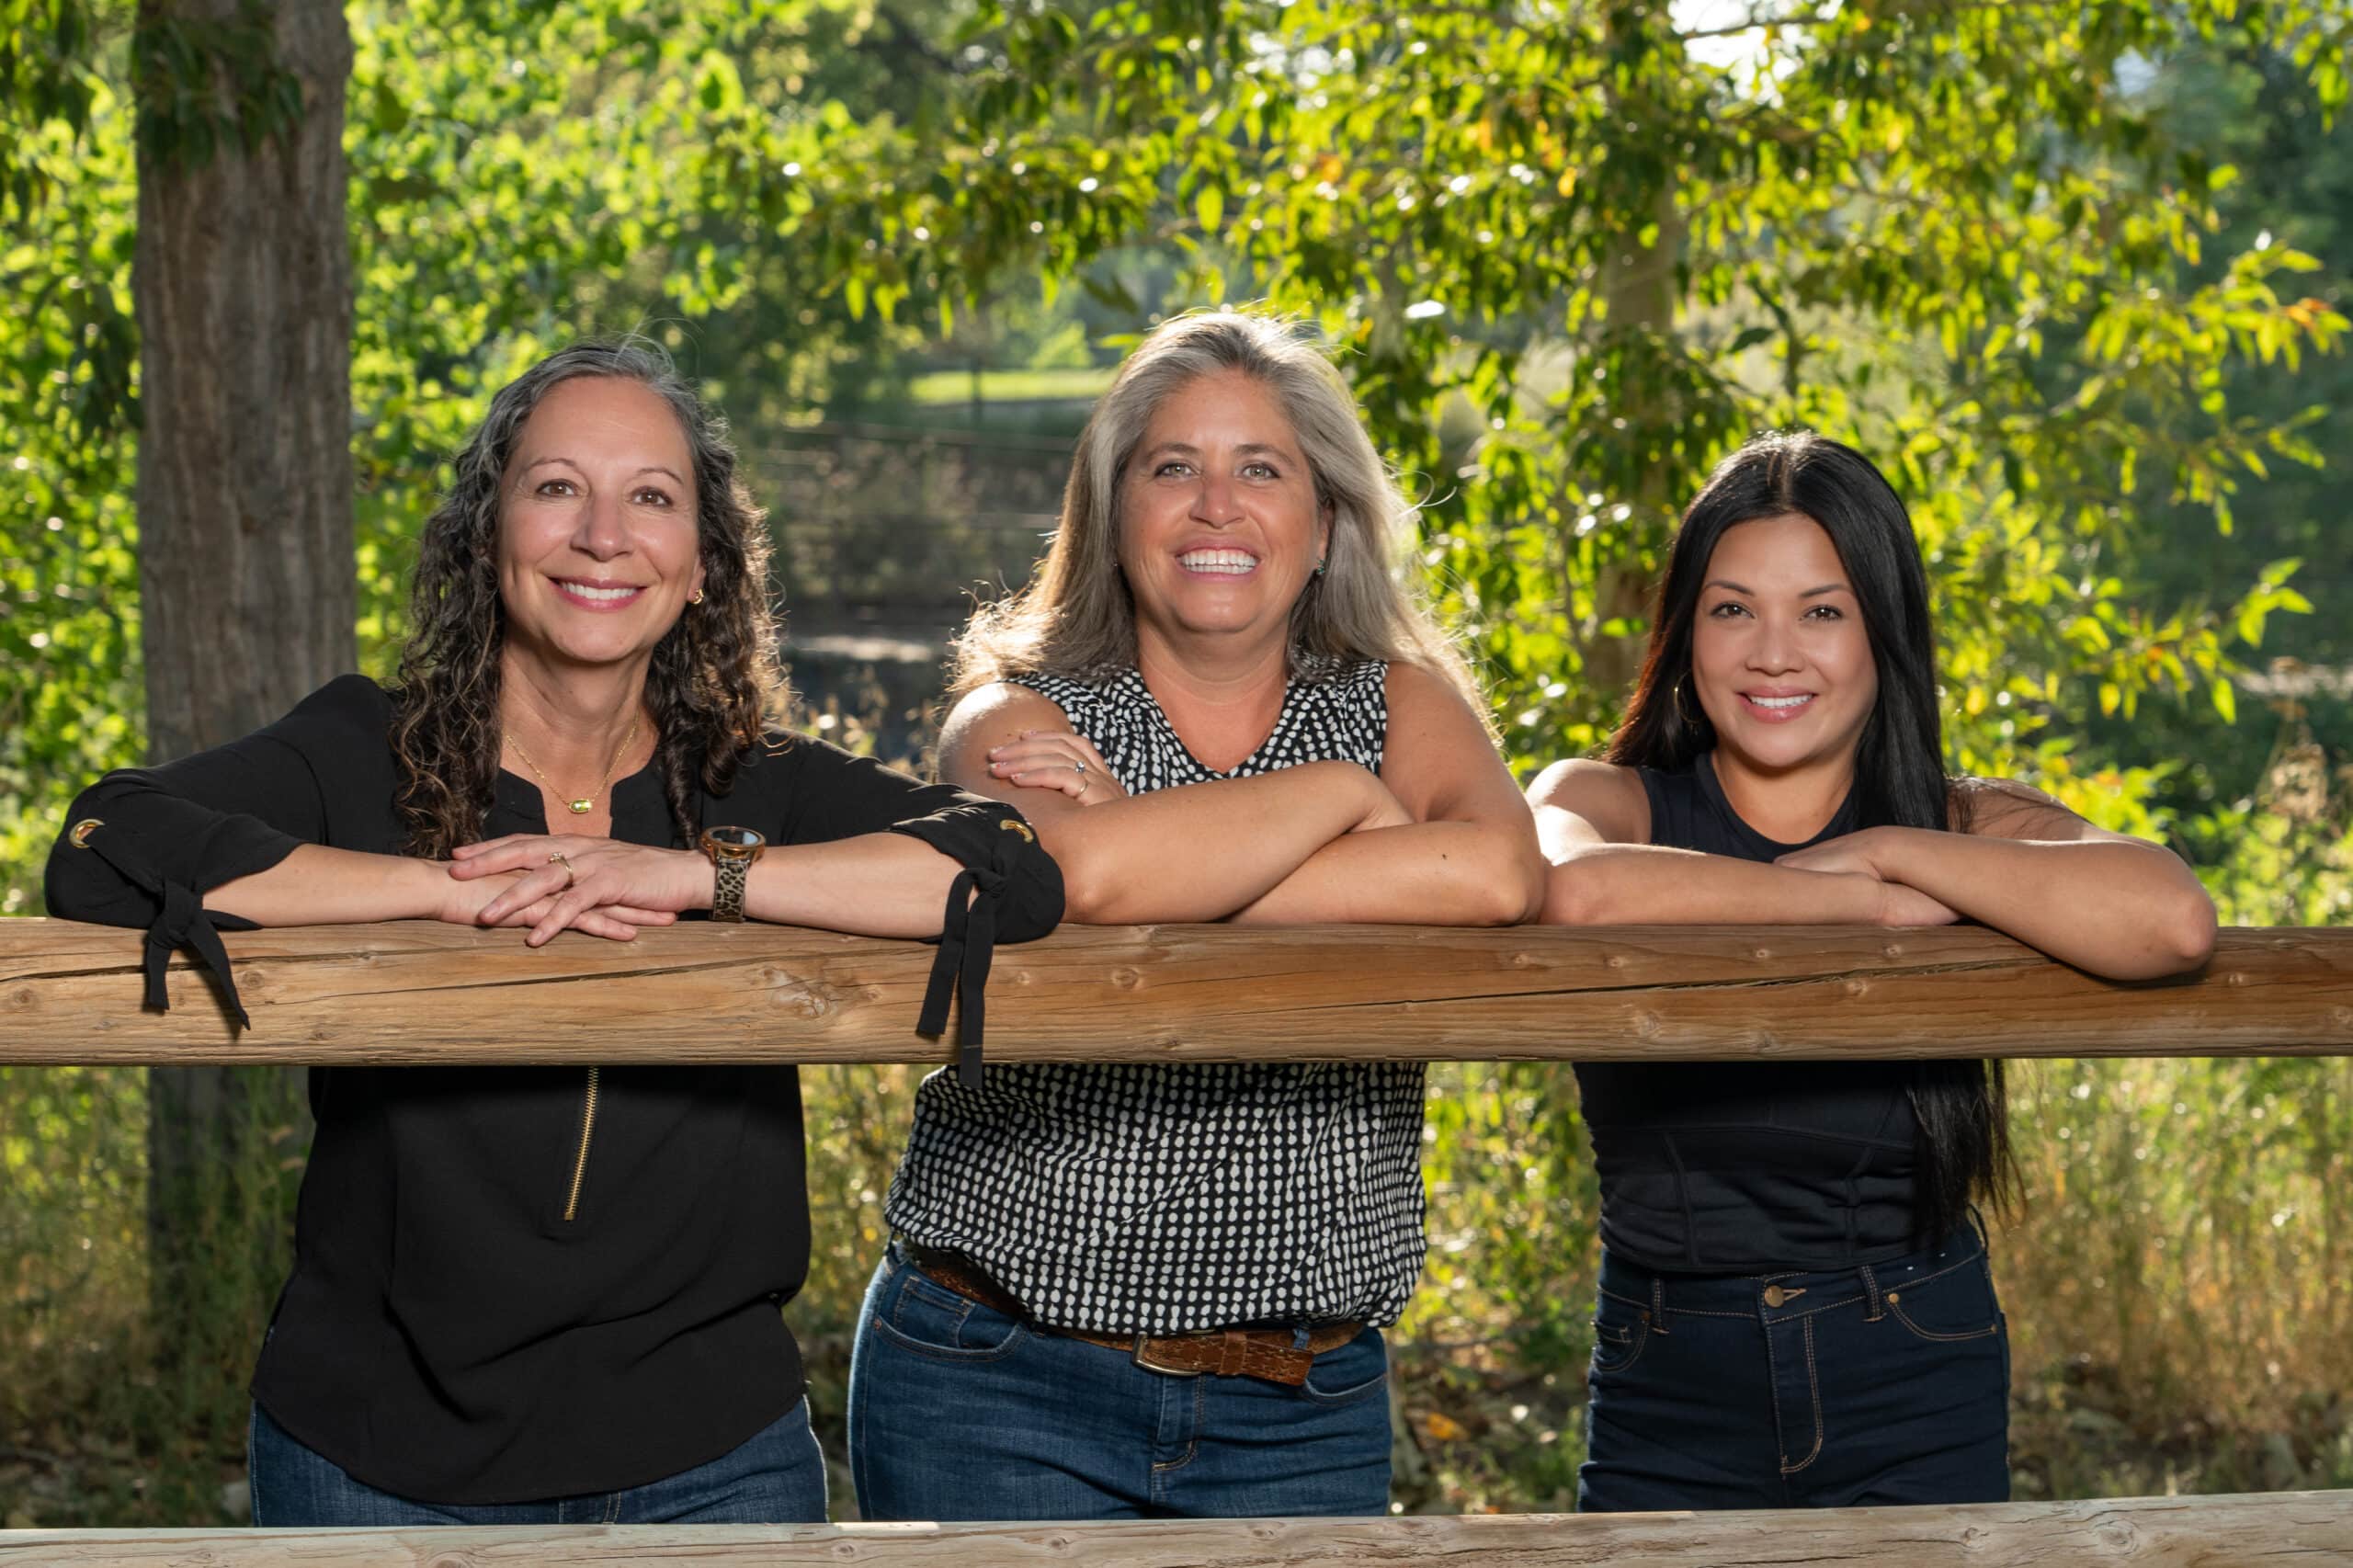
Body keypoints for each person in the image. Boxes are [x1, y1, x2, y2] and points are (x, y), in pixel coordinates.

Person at [43, 341, 1061, 1527]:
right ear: (489, 536)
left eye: (651, 497)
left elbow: (1012, 867)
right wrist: (435, 892)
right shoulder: (366, 748)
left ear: (698, 569)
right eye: (555, 486)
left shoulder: (755, 786)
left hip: (714, 1460)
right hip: (375, 1460)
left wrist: (696, 877)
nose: (602, 534)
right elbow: (103, 840)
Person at [847, 309, 1546, 1521]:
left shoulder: (1403, 704)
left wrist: (1170, 844)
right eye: (1173, 467)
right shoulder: (1017, 716)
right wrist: (1348, 803)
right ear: (1115, 516)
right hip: (997, 1373)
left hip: (1301, 1400)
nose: (1217, 506)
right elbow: (1090, 882)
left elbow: (1498, 877)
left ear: (1324, 523)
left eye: (1260, 469)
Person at [1525, 431, 2217, 1511]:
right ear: (1685, 630)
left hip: (1912, 1354)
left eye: (1822, 610)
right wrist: (1844, 899)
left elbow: (2171, 918)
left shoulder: (1955, 819)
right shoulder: (1617, 801)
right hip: (1670, 1370)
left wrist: (1897, 849)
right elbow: (1560, 885)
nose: (1772, 652)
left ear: (1881, 630)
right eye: (1731, 607)